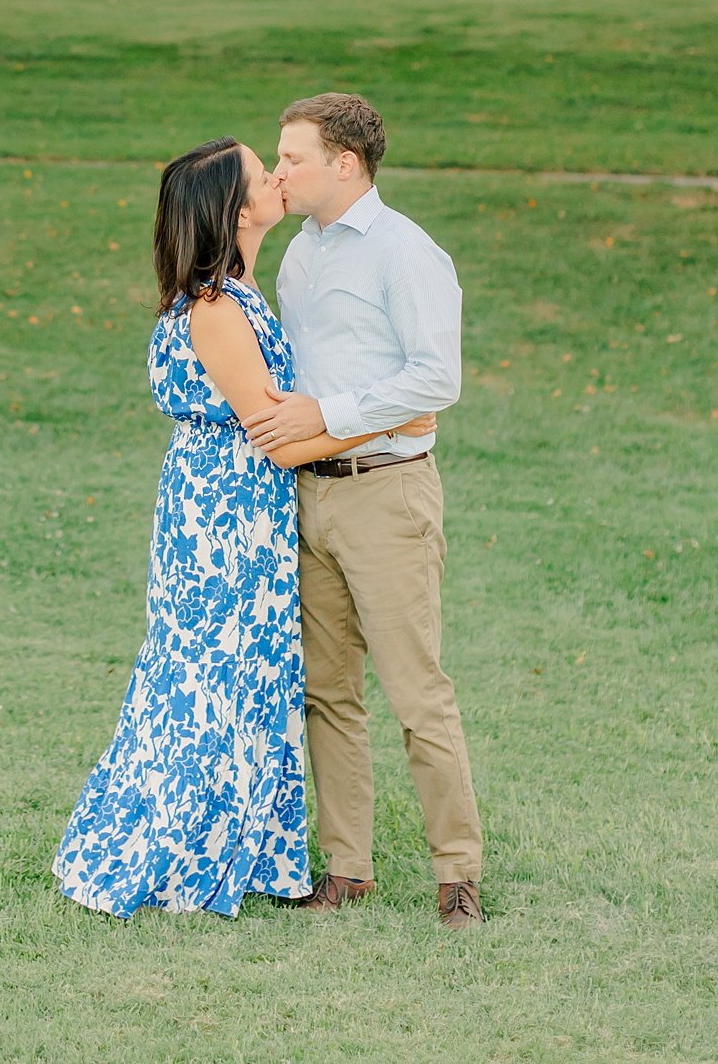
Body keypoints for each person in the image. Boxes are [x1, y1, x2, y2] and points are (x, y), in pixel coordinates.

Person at [54, 136, 435, 918]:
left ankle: (246, 844)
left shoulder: (244, 287)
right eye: (265, 174)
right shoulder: (217, 308)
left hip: (249, 507)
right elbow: (278, 432)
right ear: (235, 210)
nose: (279, 178)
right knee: (205, 682)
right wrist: (393, 418)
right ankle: (166, 849)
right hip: (221, 518)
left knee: (247, 679)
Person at [243, 92, 485, 928]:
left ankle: (458, 873)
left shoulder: (405, 252)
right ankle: (348, 866)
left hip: (388, 495)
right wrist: (318, 421)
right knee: (326, 692)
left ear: (345, 164)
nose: (279, 171)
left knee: (417, 694)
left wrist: (332, 416)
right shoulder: (300, 255)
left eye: (293, 158)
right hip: (308, 497)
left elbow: (435, 379)